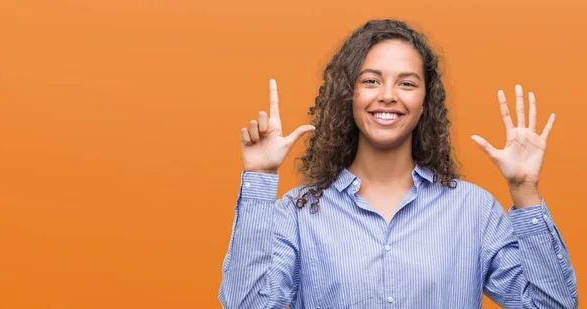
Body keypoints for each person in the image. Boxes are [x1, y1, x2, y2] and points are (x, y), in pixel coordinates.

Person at [218, 19, 578, 308]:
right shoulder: (298, 212)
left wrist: (524, 190)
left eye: (406, 83)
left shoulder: (474, 211)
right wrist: (260, 179)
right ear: (349, 95)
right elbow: (245, 304)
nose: (388, 95)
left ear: (425, 102)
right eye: (371, 81)